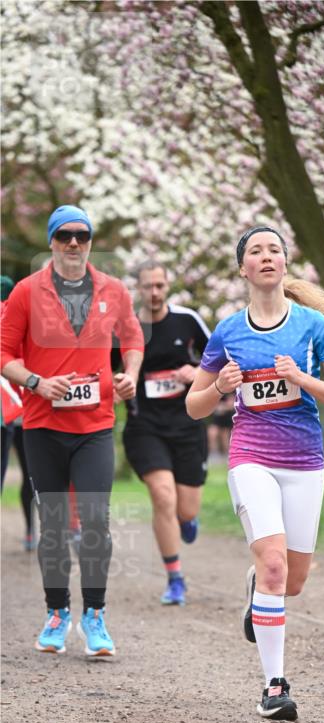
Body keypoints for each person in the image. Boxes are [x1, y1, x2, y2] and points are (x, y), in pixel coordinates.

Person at [186, 225, 324, 721]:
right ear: (243, 268)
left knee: (292, 582)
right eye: (255, 251)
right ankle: (274, 686)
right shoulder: (227, 331)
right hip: (251, 458)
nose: (266, 257)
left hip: (304, 461)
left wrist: (303, 379)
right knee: (276, 566)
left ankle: (256, 585)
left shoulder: (313, 326)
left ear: (285, 264)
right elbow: (194, 407)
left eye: (275, 250)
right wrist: (218, 385)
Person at [0, 204, 144, 656]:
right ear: (52, 242)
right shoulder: (26, 292)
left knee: (96, 520)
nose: (74, 243)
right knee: (56, 524)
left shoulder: (114, 290)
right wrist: (37, 382)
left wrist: (130, 374)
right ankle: (57, 612)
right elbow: (3, 354)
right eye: (65, 236)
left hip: (96, 425)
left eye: (82, 235)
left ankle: (95, 616)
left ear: (91, 240)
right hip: (43, 424)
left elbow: (134, 339)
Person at [120, 261, 210, 606]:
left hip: (188, 424)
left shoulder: (187, 321)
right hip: (144, 426)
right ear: (138, 289)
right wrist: (120, 383)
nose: (154, 293)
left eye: (160, 285)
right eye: (147, 287)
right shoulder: (125, 327)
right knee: (162, 496)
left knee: (185, 510)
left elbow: (222, 358)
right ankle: (175, 578)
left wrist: (198, 370)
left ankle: (187, 521)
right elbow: (105, 371)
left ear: (168, 285)